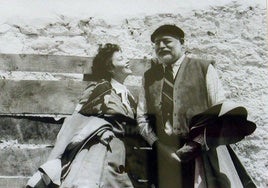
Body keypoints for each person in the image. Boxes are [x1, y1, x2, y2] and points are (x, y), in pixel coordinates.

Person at [137, 24, 256, 188]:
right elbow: (142, 118)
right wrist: (159, 146)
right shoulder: (149, 77)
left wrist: (195, 145)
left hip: (202, 152)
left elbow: (220, 111)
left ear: (182, 43)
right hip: (164, 155)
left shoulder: (204, 69)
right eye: (157, 43)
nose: (161, 46)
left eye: (166, 41)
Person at [27, 43, 136, 188]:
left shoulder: (129, 97)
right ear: (111, 68)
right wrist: (55, 159)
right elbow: (76, 118)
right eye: (121, 59)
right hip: (100, 149)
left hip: (121, 153)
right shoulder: (100, 88)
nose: (127, 60)